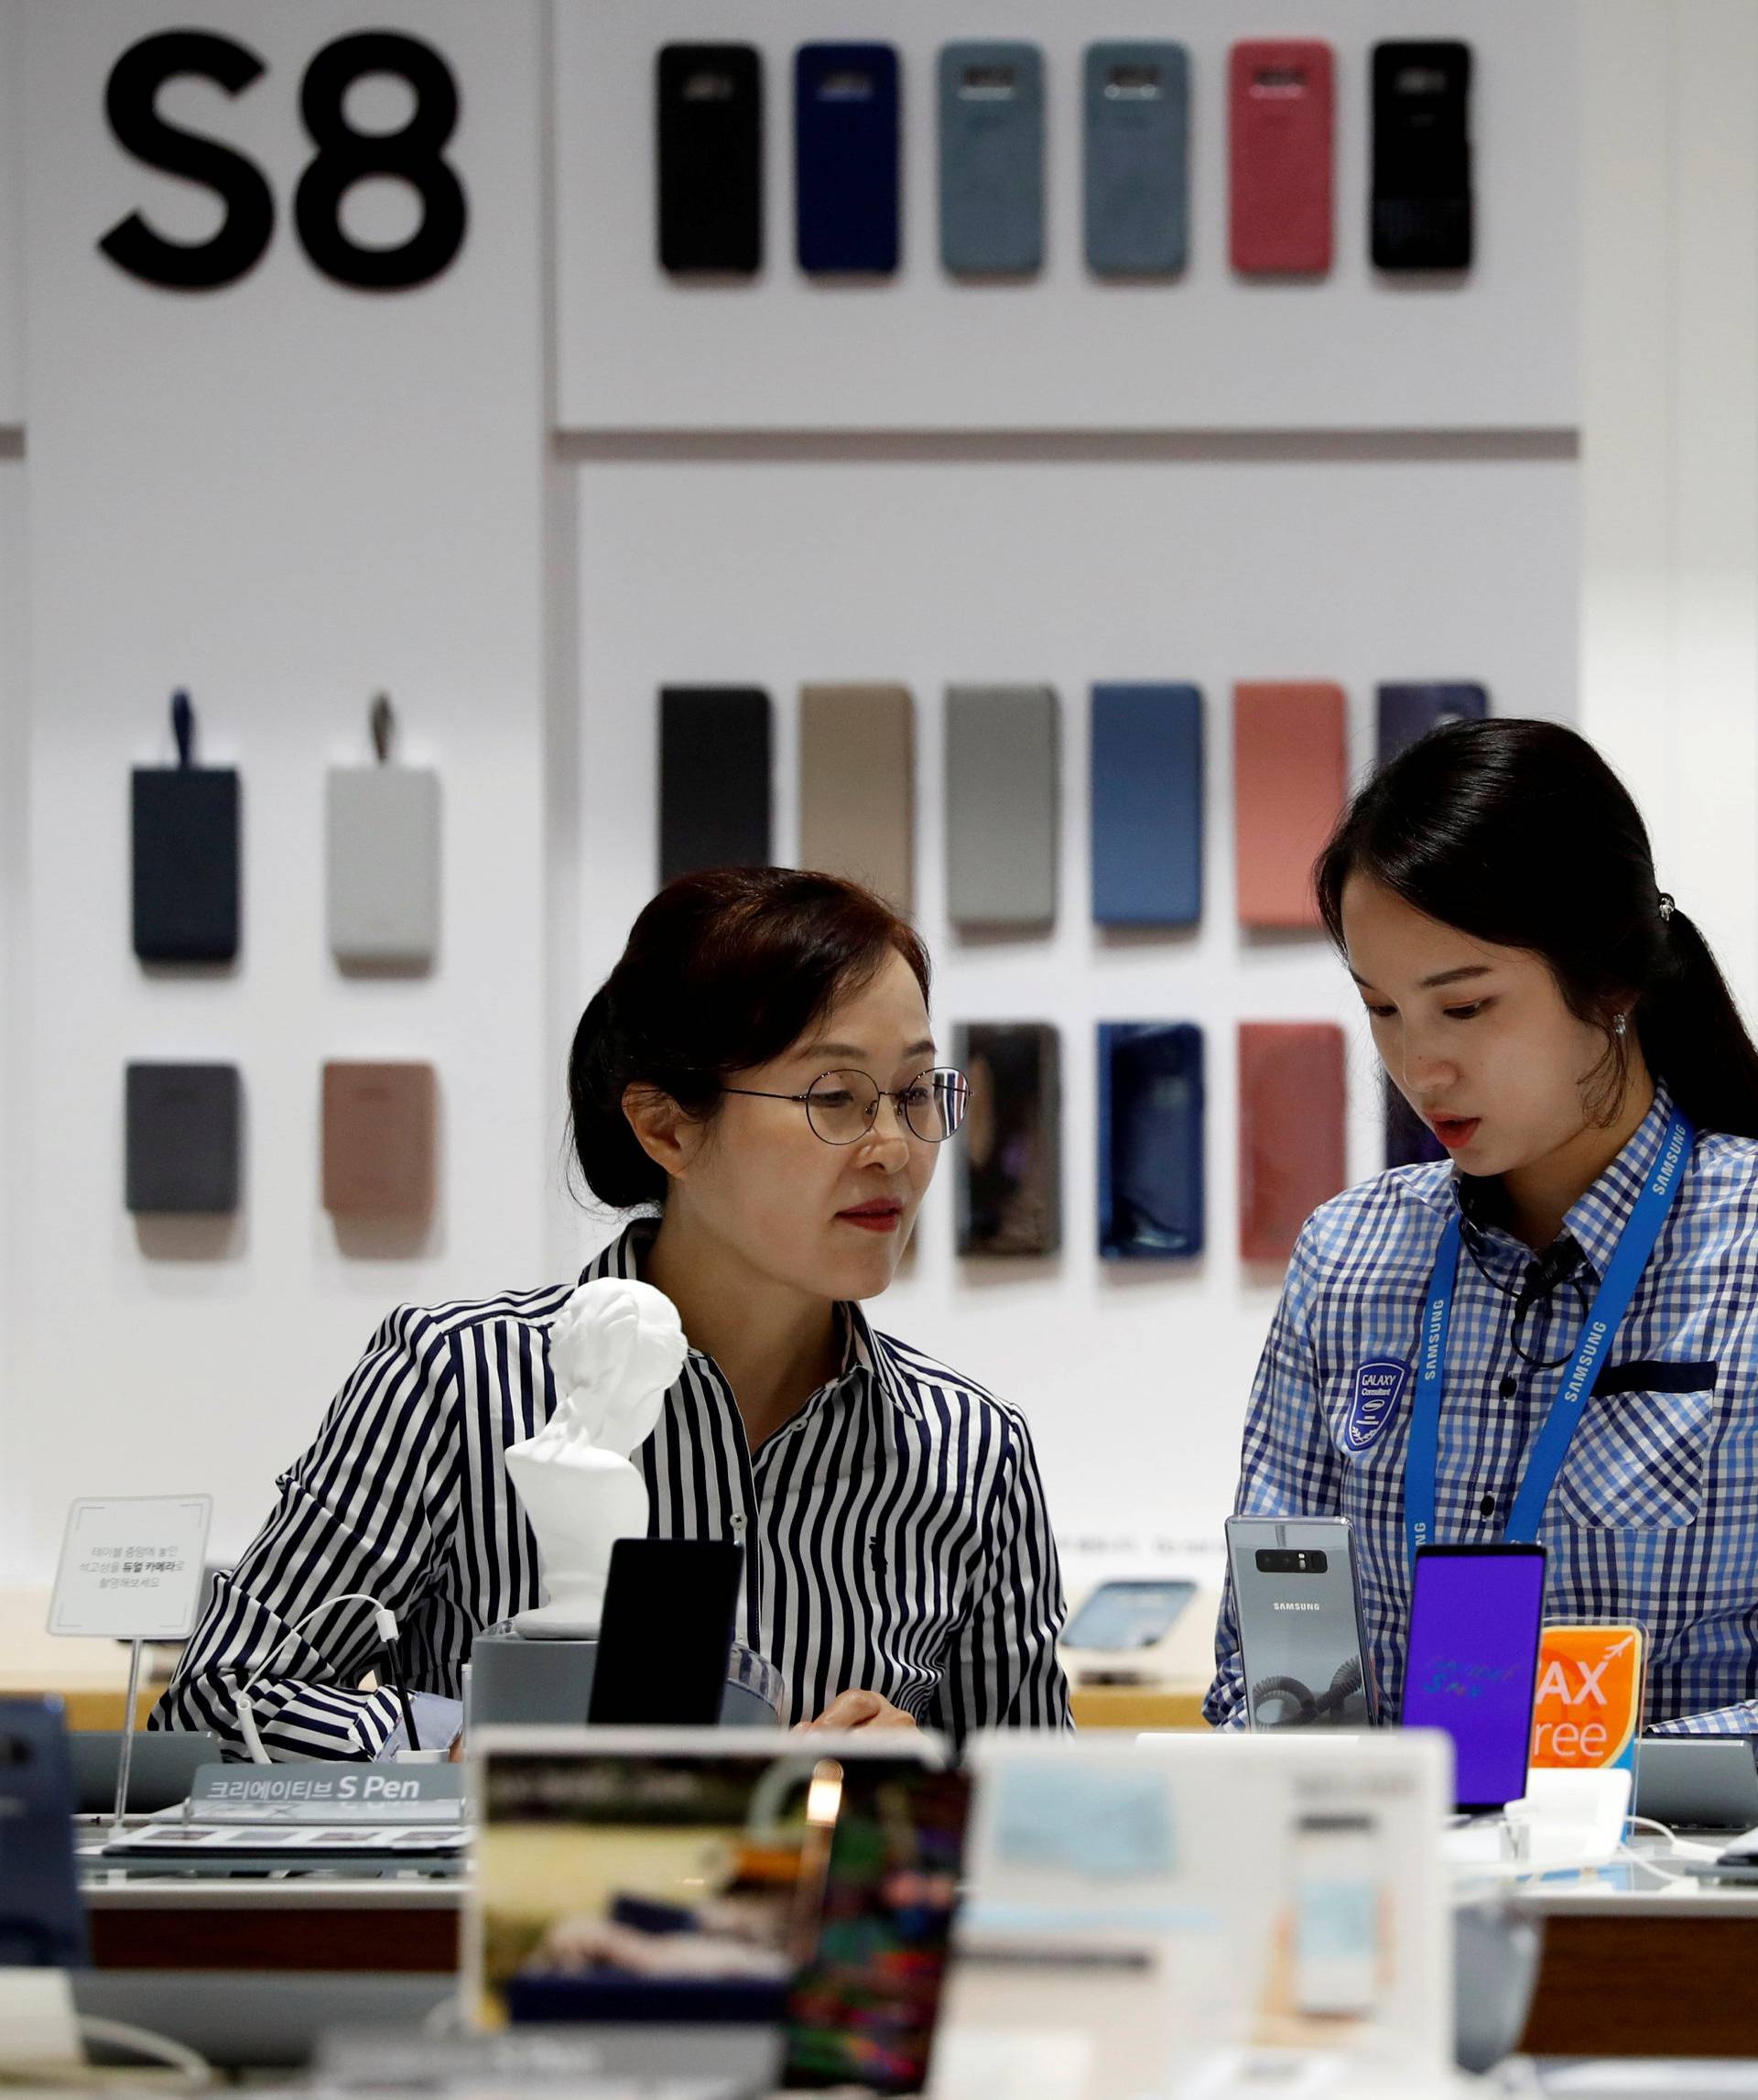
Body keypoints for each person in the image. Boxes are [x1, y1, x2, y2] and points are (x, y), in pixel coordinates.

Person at [155, 868, 1070, 1757]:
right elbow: (219, 1700)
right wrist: (460, 1751)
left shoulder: (970, 1450)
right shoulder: (460, 1380)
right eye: (834, 1097)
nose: (892, 1148)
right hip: (527, 1910)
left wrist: (923, 1778)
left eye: (914, 1094)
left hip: (817, 1909)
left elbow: (1046, 1817)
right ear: (668, 1127)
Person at [1207, 718, 1758, 1731]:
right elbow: (1271, 1664)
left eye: (1465, 1008)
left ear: (1611, 978)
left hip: (1671, 1885)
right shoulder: (1351, 1259)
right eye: (1382, 1010)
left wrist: (1583, 1784)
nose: (1421, 1069)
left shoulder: (1745, 1251)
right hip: (1387, 1878)